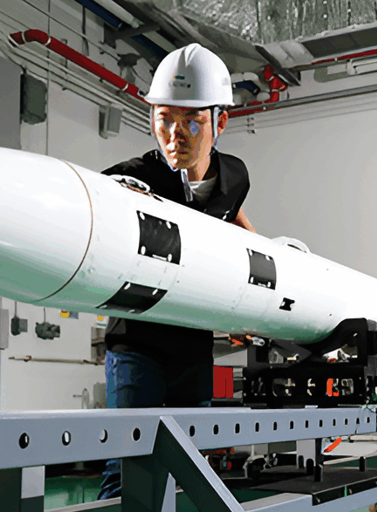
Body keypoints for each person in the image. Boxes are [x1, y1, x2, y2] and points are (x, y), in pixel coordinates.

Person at [97, 43, 255, 500]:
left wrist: (255, 295)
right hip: (137, 342)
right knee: (126, 465)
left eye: (191, 121)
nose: (174, 135)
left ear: (220, 123)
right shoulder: (128, 180)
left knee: (189, 462)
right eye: (163, 118)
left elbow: (235, 219)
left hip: (193, 340)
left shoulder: (235, 175)